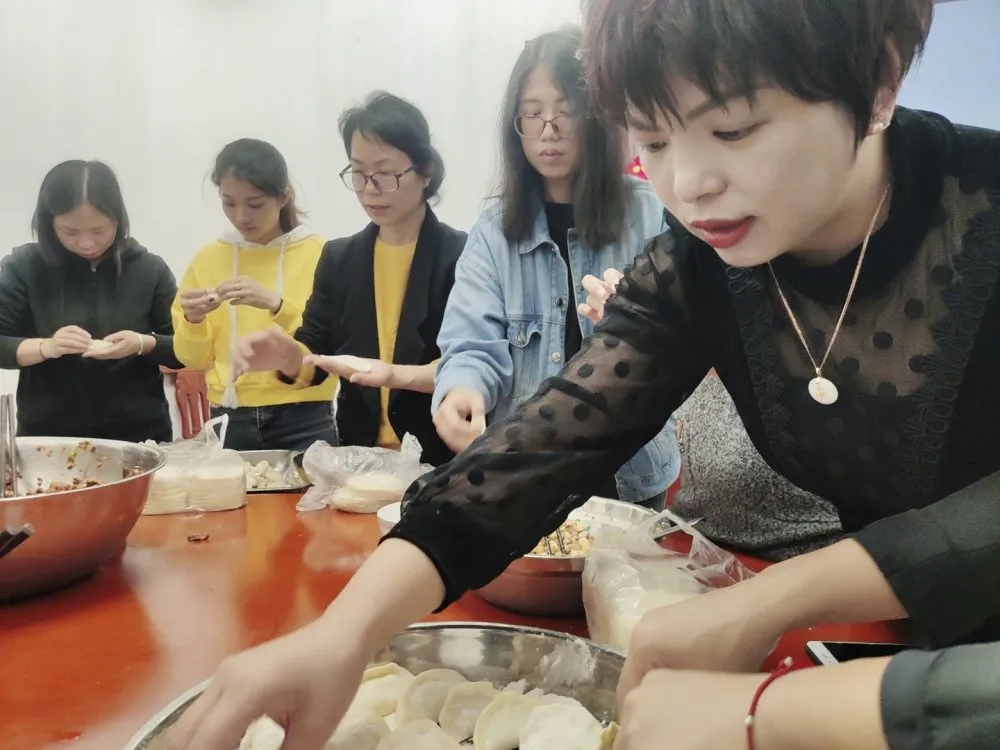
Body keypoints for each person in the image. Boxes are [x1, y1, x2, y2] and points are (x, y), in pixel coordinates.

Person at [167, 1, 1000, 748]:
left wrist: (769, 620)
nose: (688, 185)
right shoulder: (700, 266)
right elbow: (543, 446)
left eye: (735, 130)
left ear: (878, 80)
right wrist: (343, 634)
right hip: (918, 649)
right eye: (653, 139)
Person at [431, 27, 678, 506]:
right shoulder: (494, 232)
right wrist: (461, 389)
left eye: (565, 112)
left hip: (628, 474)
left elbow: (690, 338)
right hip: (522, 473)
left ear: (599, 117)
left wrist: (638, 324)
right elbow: (471, 342)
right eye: (532, 114)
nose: (548, 130)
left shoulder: (653, 215)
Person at [231, 93, 465, 466]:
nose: (370, 188)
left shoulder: (462, 256)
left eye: (385, 174)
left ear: (425, 172)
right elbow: (316, 351)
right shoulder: (340, 259)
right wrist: (290, 357)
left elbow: (468, 362)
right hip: (361, 457)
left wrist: (395, 375)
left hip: (441, 457)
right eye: (358, 172)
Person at [172, 139, 337, 452]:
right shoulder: (208, 259)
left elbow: (330, 345)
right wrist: (193, 320)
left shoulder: (320, 253)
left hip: (305, 413)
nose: (241, 216)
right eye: (229, 203)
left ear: (283, 197)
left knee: (311, 487)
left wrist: (276, 304)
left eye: (255, 204)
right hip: (229, 416)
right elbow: (191, 359)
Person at [0, 160, 180, 442]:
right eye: (70, 231)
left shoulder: (149, 269)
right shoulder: (24, 267)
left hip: (140, 434)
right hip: (49, 437)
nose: (86, 243)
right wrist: (47, 347)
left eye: (99, 230)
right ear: (49, 223)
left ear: (118, 219)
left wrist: (142, 343)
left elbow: (184, 350)